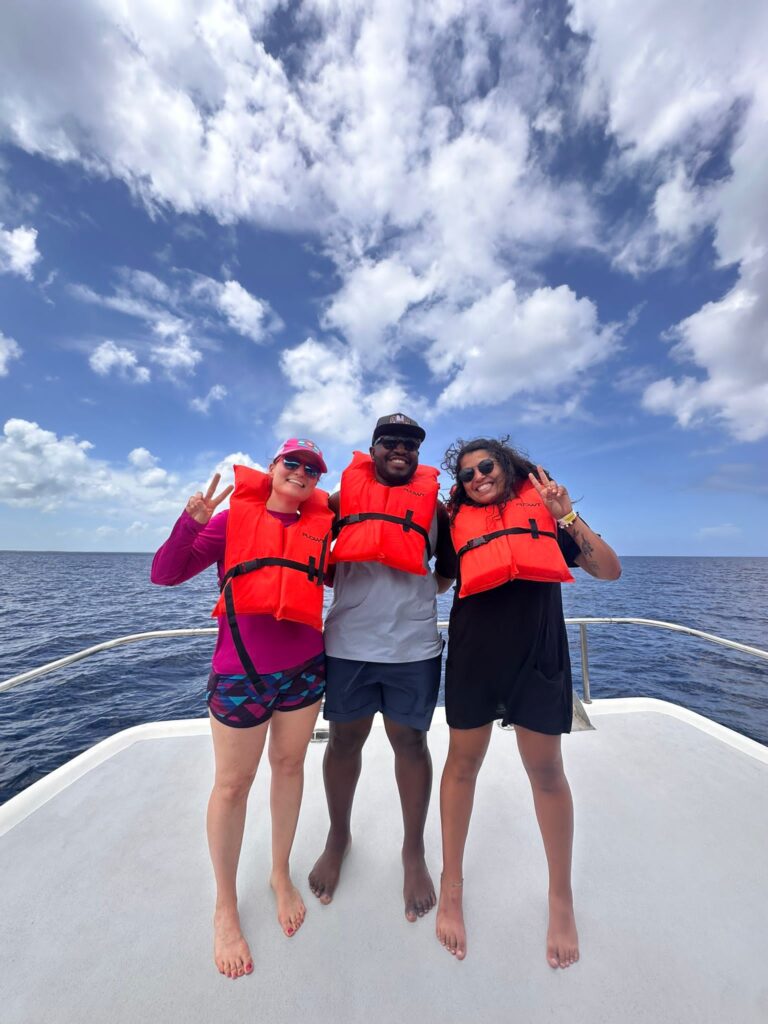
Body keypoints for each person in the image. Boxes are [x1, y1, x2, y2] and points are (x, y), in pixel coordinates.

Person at [151, 439, 333, 980]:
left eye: (311, 468)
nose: (301, 471)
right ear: (273, 468)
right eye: (291, 463)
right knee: (232, 785)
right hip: (240, 675)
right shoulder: (231, 521)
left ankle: (279, 872)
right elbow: (165, 573)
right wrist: (189, 524)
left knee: (291, 766)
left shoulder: (321, 529)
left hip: (306, 671)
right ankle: (225, 906)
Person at [435, 437, 621, 967]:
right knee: (462, 766)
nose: (478, 477)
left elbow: (609, 570)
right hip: (474, 659)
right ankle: (452, 886)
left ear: (506, 466)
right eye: (467, 474)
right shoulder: (454, 521)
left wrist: (567, 516)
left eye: (486, 466)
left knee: (547, 773)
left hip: (538, 658)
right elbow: (440, 581)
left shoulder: (545, 511)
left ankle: (560, 898)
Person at [308, 413, 457, 921]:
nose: (401, 450)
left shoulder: (435, 509)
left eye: (411, 444)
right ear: (372, 449)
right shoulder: (339, 500)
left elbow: (447, 574)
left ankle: (413, 850)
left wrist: (409, 598)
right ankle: (338, 836)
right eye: (390, 441)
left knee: (410, 744)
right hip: (348, 645)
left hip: (413, 649)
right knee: (344, 742)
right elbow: (305, 541)